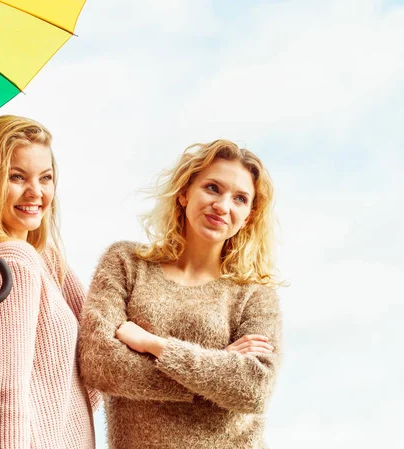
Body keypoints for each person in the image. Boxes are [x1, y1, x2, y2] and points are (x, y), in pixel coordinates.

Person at [79, 140, 283, 449]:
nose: (223, 206)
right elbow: (99, 363)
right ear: (185, 192)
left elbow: (254, 388)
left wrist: (155, 346)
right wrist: (218, 368)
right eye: (213, 188)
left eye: (240, 199)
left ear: (249, 216)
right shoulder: (126, 263)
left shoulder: (254, 293)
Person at [0, 115, 100, 449]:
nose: (36, 192)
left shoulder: (40, 258)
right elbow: (6, 394)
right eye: (16, 177)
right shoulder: (11, 263)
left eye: (46, 178)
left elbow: (103, 334)